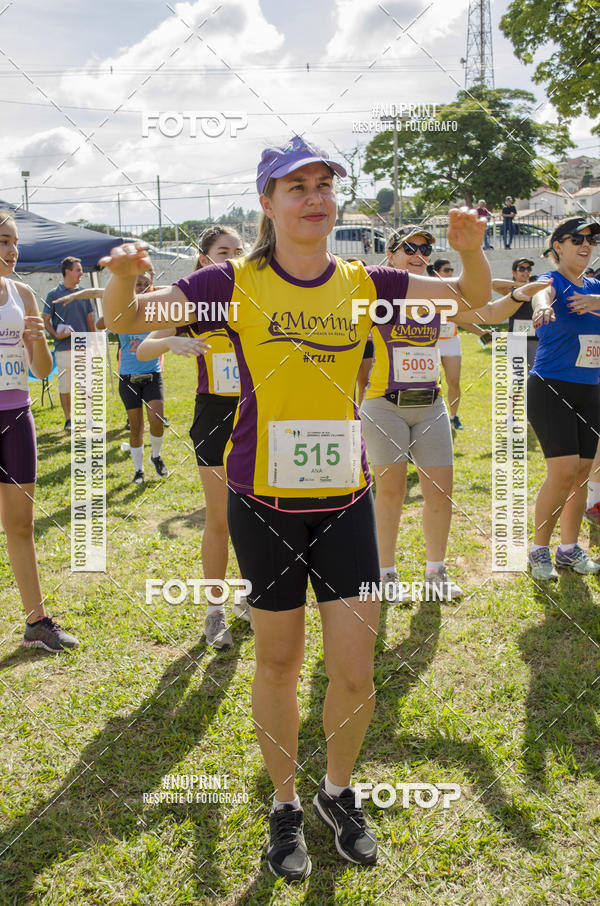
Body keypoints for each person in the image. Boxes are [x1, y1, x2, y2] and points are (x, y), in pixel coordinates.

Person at [100, 135, 491, 883]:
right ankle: (283, 805)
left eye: (324, 184)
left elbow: (470, 302)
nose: (315, 196)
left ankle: (338, 791)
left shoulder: (366, 280)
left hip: (345, 500)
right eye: (296, 186)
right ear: (268, 204)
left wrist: (470, 249)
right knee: (278, 662)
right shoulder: (231, 282)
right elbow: (126, 321)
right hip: (263, 500)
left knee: (354, 670)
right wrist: (122, 279)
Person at [361, 232, 547, 604]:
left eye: (425, 249)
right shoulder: (371, 292)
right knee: (392, 494)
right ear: (390, 255)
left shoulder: (436, 297)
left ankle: (436, 571)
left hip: (430, 404)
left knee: (440, 492)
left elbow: (489, 315)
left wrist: (516, 296)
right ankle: (385, 573)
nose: (418, 255)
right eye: (409, 249)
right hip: (383, 404)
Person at [137, 227, 249, 650]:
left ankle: (249, 597)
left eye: (239, 251)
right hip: (216, 416)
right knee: (219, 518)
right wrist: (173, 341)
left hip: (259, 416)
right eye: (224, 251)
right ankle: (214, 611)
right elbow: (143, 347)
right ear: (203, 259)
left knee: (259, 518)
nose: (233, 257)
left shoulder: (255, 293)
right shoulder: (192, 300)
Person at [0, 211, 79, 651]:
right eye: (3, 241)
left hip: (16, 418)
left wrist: (36, 341)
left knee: (21, 526)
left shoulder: (25, 294)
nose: (11, 250)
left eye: (14, 242)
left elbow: (43, 370)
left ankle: (37, 622)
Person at [527, 217, 600, 579]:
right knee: (564, 470)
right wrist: (541, 307)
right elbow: (542, 293)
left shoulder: (595, 288)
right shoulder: (551, 280)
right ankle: (538, 549)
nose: (585, 245)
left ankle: (569, 549)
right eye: (576, 239)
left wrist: (597, 300)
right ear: (558, 245)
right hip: (551, 386)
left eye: (591, 239)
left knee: (583, 472)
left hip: (592, 389)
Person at [427, 256, 492, 430]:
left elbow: (460, 318)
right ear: (436, 273)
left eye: (451, 270)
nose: (450, 273)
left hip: (451, 341)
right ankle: (430, 420)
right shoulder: (425, 290)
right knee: (430, 383)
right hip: (429, 343)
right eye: (446, 270)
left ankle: (453, 416)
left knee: (454, 381)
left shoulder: (455, 292)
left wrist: (481, 332)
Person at [43, 257, 98, 431]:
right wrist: (56, 336)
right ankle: (69, 420)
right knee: (65, 386)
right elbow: (45, 320)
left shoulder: (84, 294)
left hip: (83, 347)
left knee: (86, 386)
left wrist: (94, 343)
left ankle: (89, 420)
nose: (82, 273)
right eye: (78, 270)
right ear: (67, 271)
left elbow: (90, 321)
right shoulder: (53, 294)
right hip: (63, 349)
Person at [493, 258, 538, 372]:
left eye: (528, 269)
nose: (526, 272)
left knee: (534, 373)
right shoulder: (510, 290)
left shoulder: (534, 289)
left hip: (534, 338)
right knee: (516, 375)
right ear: (514, 272)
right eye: (522, 269)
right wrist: (517, 284)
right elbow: (493, 284)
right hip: (515, 337)